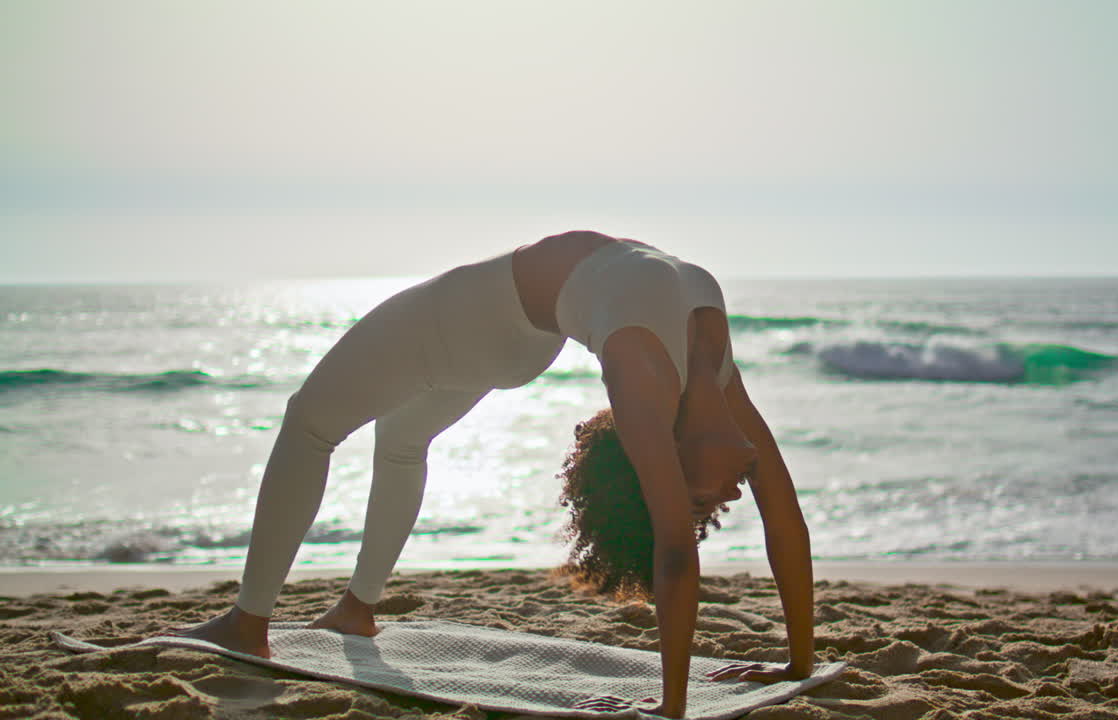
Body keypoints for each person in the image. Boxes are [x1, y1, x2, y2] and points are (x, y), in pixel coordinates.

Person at [174, 230, 813, 718]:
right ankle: (354, 610)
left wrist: (779, 671)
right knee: (397, 440)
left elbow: (699, 538)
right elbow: (736, 527)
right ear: (670, 455)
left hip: (479, 317)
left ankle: (250, 622)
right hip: (512, 334)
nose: (725, 498)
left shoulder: (658, 381)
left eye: (699, 503)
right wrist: (779, 671)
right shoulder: (713, 381)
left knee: (310, 422)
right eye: (704, 502)